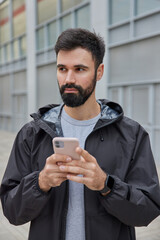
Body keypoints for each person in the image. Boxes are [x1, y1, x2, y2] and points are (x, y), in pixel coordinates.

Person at [0, 28, 160, 240]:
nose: (69, 79)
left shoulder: (132, 135)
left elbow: (148, 210)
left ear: (99, 71)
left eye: (80, 69)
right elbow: (12, 212)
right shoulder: (32, 134)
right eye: (62, 69)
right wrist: (40, 183)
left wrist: (106, 184)